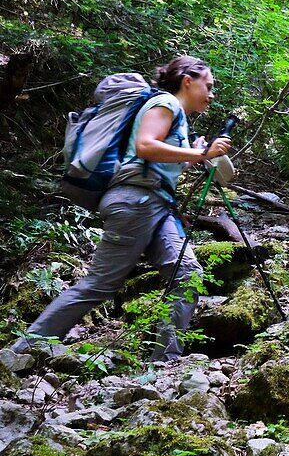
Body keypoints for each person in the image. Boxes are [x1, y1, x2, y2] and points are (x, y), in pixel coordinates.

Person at [8, 55, 231, 363]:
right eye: (208, 86)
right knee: (100, 284)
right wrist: (199, 151)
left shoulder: (175, 114)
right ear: (188, 81)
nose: (212, 93)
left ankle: (166, 361)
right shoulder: (164, 103)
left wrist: (196, 154)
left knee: (186, 272)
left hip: (155, 204)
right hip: (135, 201)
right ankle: (21, 351)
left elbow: (157, 159)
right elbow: (145, 146)